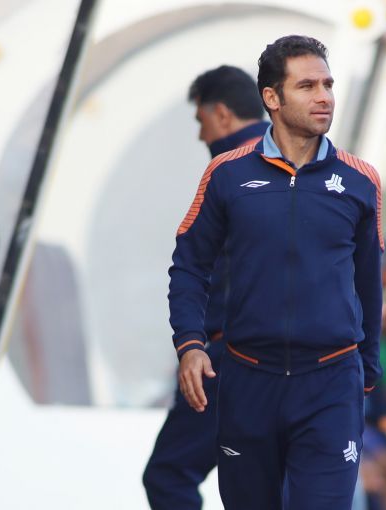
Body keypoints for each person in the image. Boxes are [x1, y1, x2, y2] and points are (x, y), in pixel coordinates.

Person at [168, 35, 383, 510]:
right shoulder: (225, 174)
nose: (324, 96)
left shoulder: (360, 181)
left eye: (327, 84)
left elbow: (369, 283)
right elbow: (189, 266)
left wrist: (365, 373)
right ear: (272, 97)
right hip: (248, 381)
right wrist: (190, 344)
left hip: (331, 383)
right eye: (307, 86)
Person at [144, 65, 269, 510]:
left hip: (229, 354)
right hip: (304, 362)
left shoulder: (227, 169)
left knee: (168, 474)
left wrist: (193, 345)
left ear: (221, 114)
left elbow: (194, 266)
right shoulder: (308, 163)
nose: (201, 136)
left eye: (201, 121)